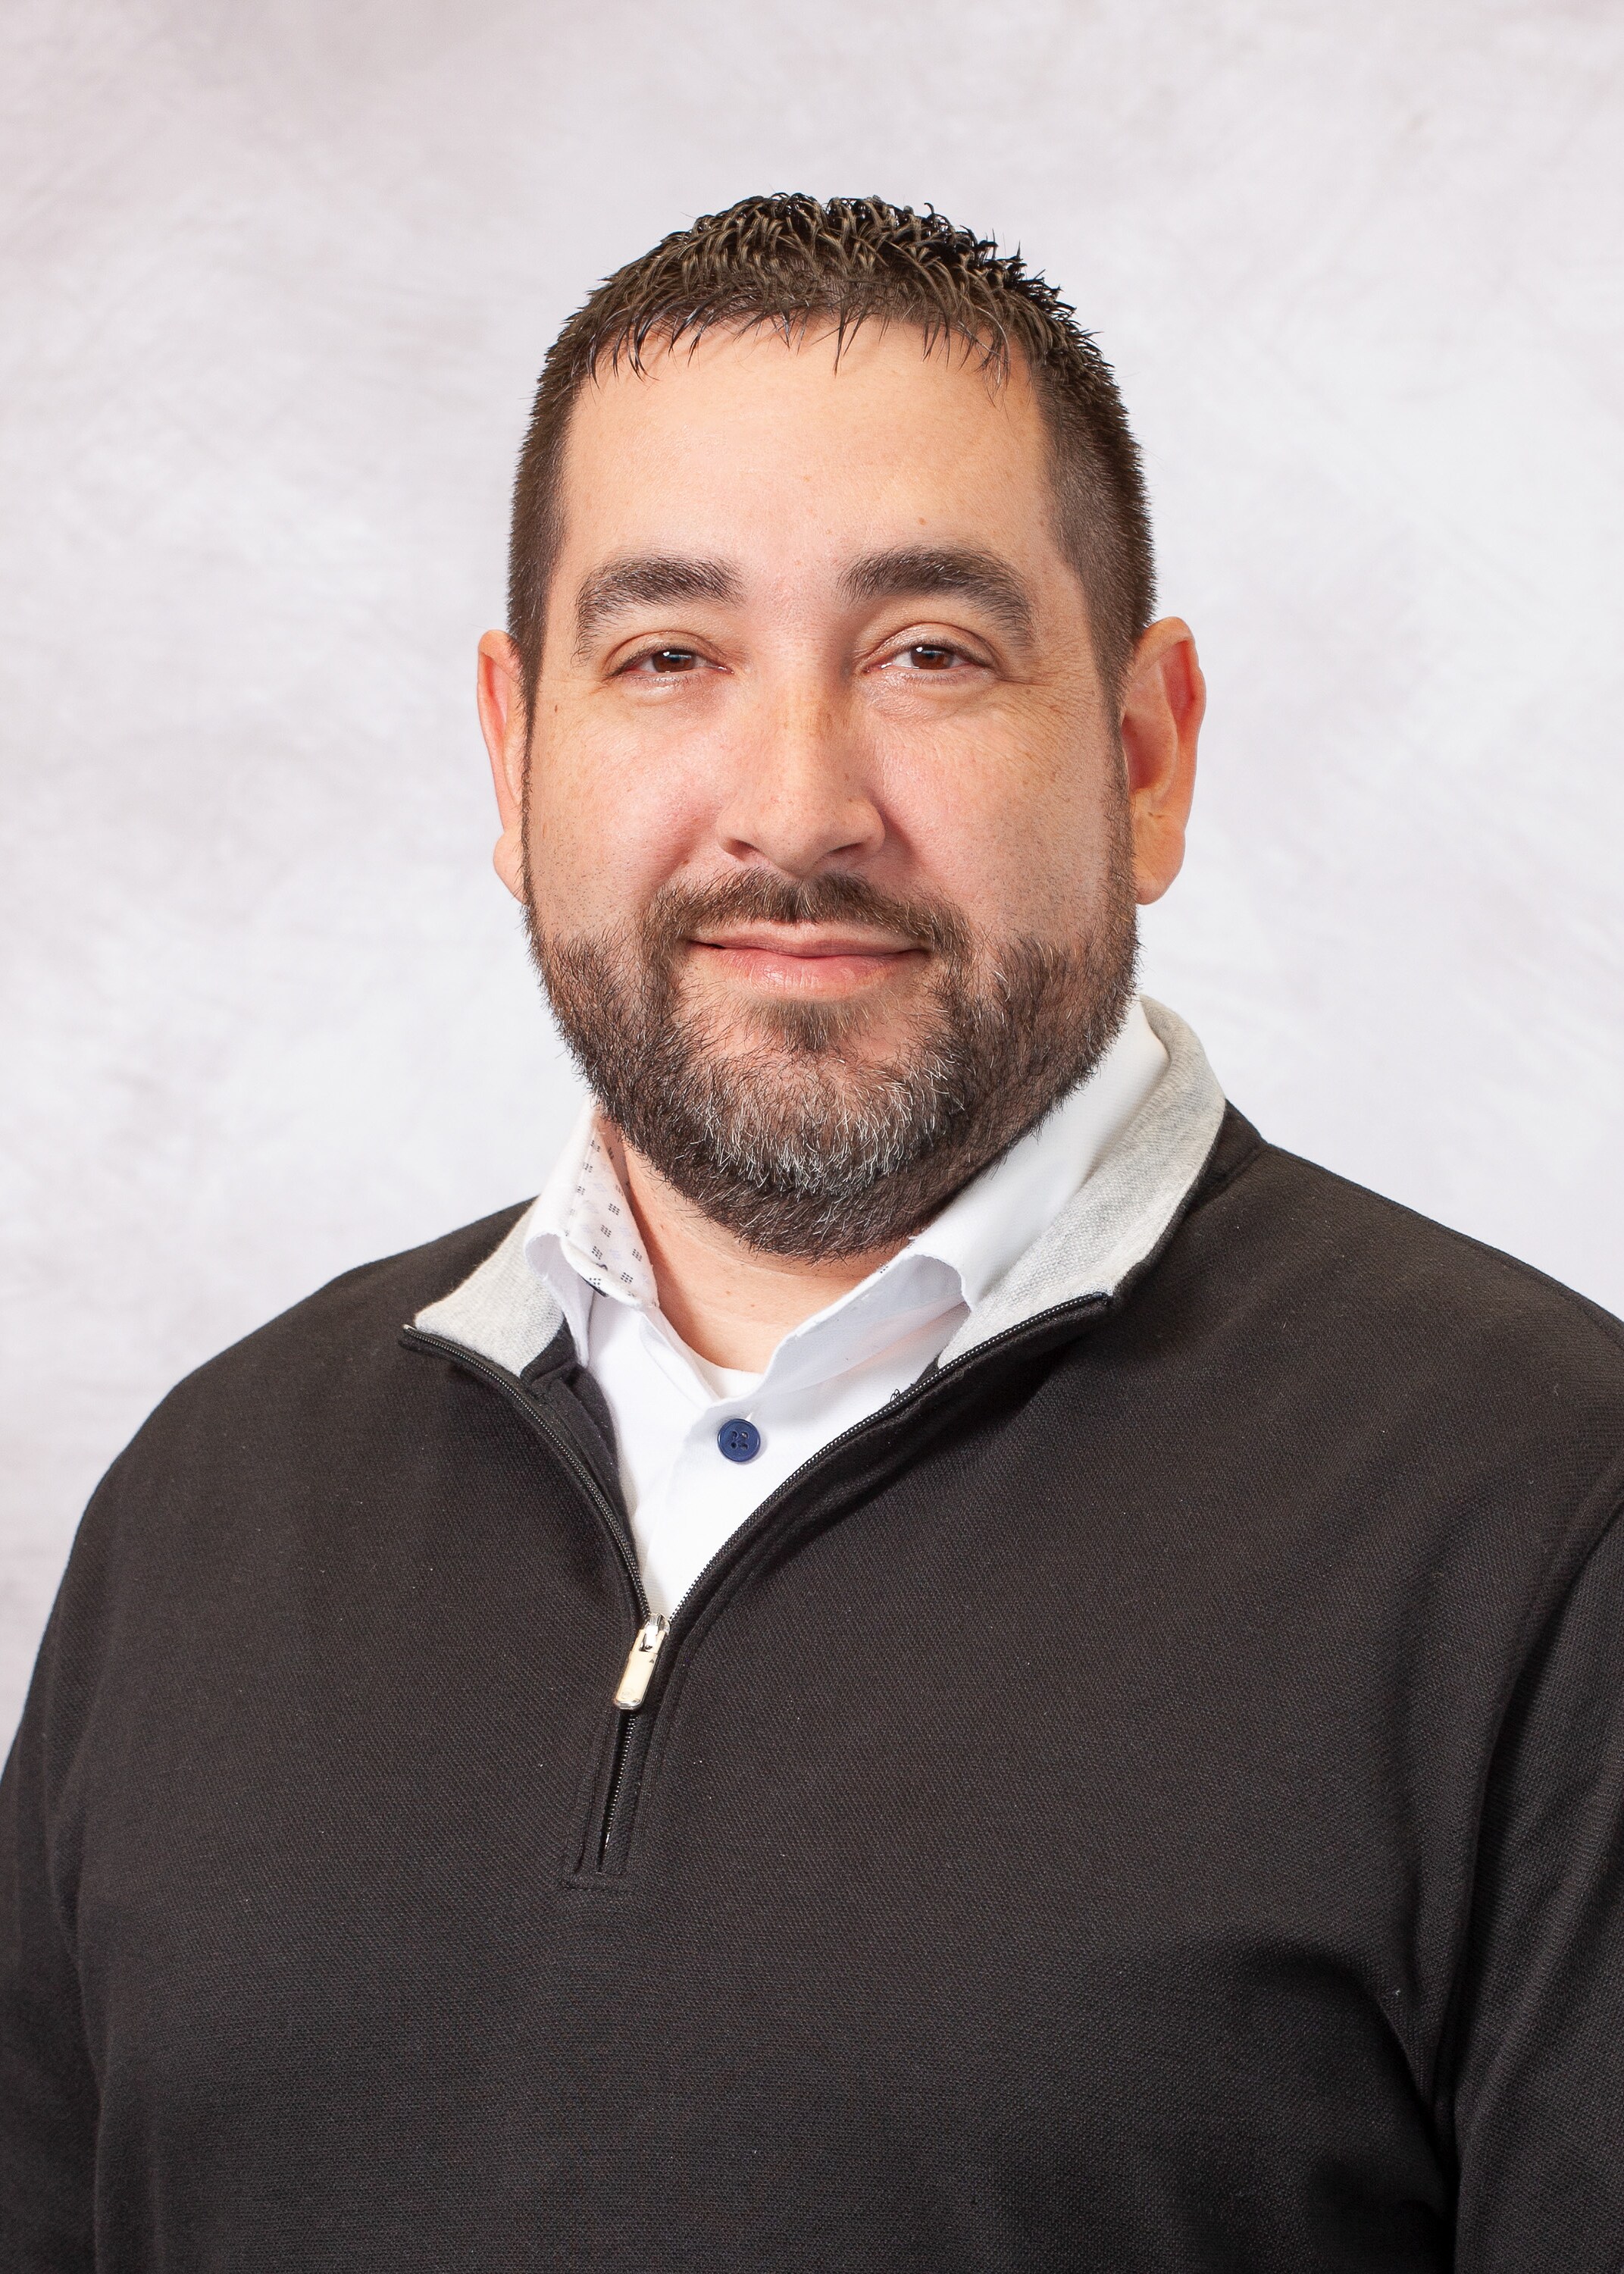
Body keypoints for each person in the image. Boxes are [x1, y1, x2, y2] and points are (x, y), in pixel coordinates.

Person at [3, 192, 1622, 2273]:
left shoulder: (1548, 1522)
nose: (794, 807)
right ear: (514, 750)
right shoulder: (210, 1503)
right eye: (667, 657)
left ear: (1144, 755)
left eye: (929, 654)